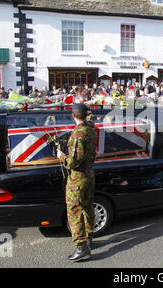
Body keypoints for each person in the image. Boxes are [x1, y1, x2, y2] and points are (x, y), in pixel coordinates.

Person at [57, 103, 97, 262]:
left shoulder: (78, 135)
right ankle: (89, 238)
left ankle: (81, 248)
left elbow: (73, 162)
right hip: (89, 174)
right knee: (87, 206)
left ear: (73, 116)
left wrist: (61, 155)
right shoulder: (90, 128)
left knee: (74, 211)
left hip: (78, 178)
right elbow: (90, 117)